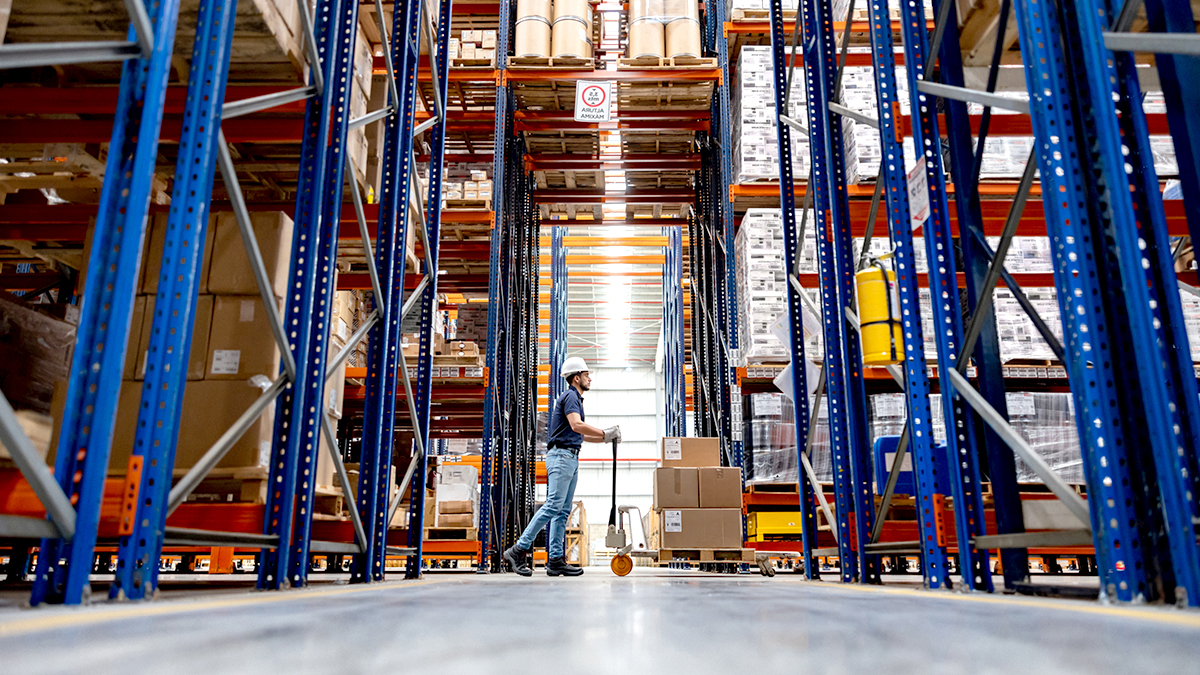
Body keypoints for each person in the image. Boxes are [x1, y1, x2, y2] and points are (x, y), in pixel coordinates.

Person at [503, 356, 620, 577]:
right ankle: (517, 550)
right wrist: (605, 432)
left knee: (562, 510)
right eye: (586, 375)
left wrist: (606, 438)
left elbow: (579, 434)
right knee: (553, 505)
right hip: (562, 458)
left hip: (570, 457)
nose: (590, 378)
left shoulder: (573, 398)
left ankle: (555, 560)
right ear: (576, 378)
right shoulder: (571, 397)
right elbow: (577, 425)